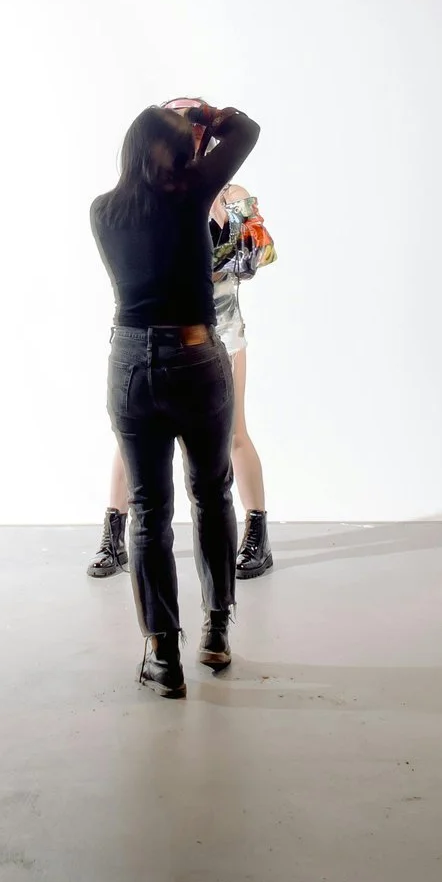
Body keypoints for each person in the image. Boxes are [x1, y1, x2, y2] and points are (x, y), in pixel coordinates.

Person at [90, 100, 260, 698]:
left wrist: (184, 129)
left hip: (131, 361)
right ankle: (215, 633)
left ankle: (163, 656)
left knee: (147, 510)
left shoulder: (103, 211)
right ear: (177, 151)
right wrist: (207, 114)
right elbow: (247, 130)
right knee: (211, 495)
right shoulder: (190, 193)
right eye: (188, 141)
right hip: (196, 357)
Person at [87, 165, 277, 580]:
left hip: (221, 332)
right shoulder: (153, 196)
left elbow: (257, 258)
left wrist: (221, 219)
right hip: (156, 333)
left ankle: (257, 535)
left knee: (233, 434)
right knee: (131, 438)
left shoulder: (231, 195)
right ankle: (113, 536)